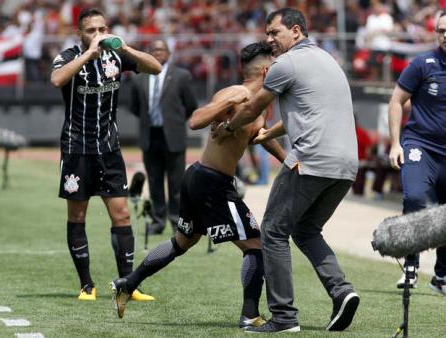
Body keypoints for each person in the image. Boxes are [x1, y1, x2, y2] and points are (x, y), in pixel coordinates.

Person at [111, 42, 287, 328]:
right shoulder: (238, 93)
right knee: (257, 244)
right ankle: (249, 315)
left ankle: (128, 283)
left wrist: (289, 160)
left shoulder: (260, 106)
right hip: (212, 182)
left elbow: (259, 136)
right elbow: (194, 120)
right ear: (267, 70)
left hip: (201, 178)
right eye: (278, 65)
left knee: (182, 242)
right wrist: (226, 108)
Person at [213, 8, 360, 333]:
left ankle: (283, 317)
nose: (268, 39)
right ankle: (342, 291)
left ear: (295, 31)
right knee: (306, 230)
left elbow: (253, 107)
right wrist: (269, 134)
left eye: (274, 32)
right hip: (347, 165)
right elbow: (309, 111)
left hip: (311, 159)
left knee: (273, 232)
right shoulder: (327, 60)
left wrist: (226, 126)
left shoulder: (286, 64)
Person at [50, 7, 161, 301]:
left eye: (102, 29)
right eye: (91, 31)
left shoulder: (117, 55)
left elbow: (156, 67)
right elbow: (57, 80)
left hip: (109, 149)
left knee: (122, 214)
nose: (98, 35)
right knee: (78, 215)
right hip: (76, 149)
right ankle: (87, 285)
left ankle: (128, 284)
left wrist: (125, 47)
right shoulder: (68, 56)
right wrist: (89, 54)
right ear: (80, 34)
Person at [388, 12, 446, 293]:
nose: (444, 35)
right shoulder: (423, 63)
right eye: (441, 30)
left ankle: (442, 276)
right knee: (414, 198)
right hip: (420, 145)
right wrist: (395, 143)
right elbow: (396, 100)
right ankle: (411, 264)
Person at [129, 39, 198, 235]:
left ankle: (177, 221)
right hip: (150, 135)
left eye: (161, 50)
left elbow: (191, 104)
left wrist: (174, 122)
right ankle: (158, 221)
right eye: (153, 50)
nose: (157, 53)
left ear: (168, 53)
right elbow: (134, 107)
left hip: (173, 136)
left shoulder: (181, 76)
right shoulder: (139, 77)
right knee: (154, 181)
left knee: (176, 182)